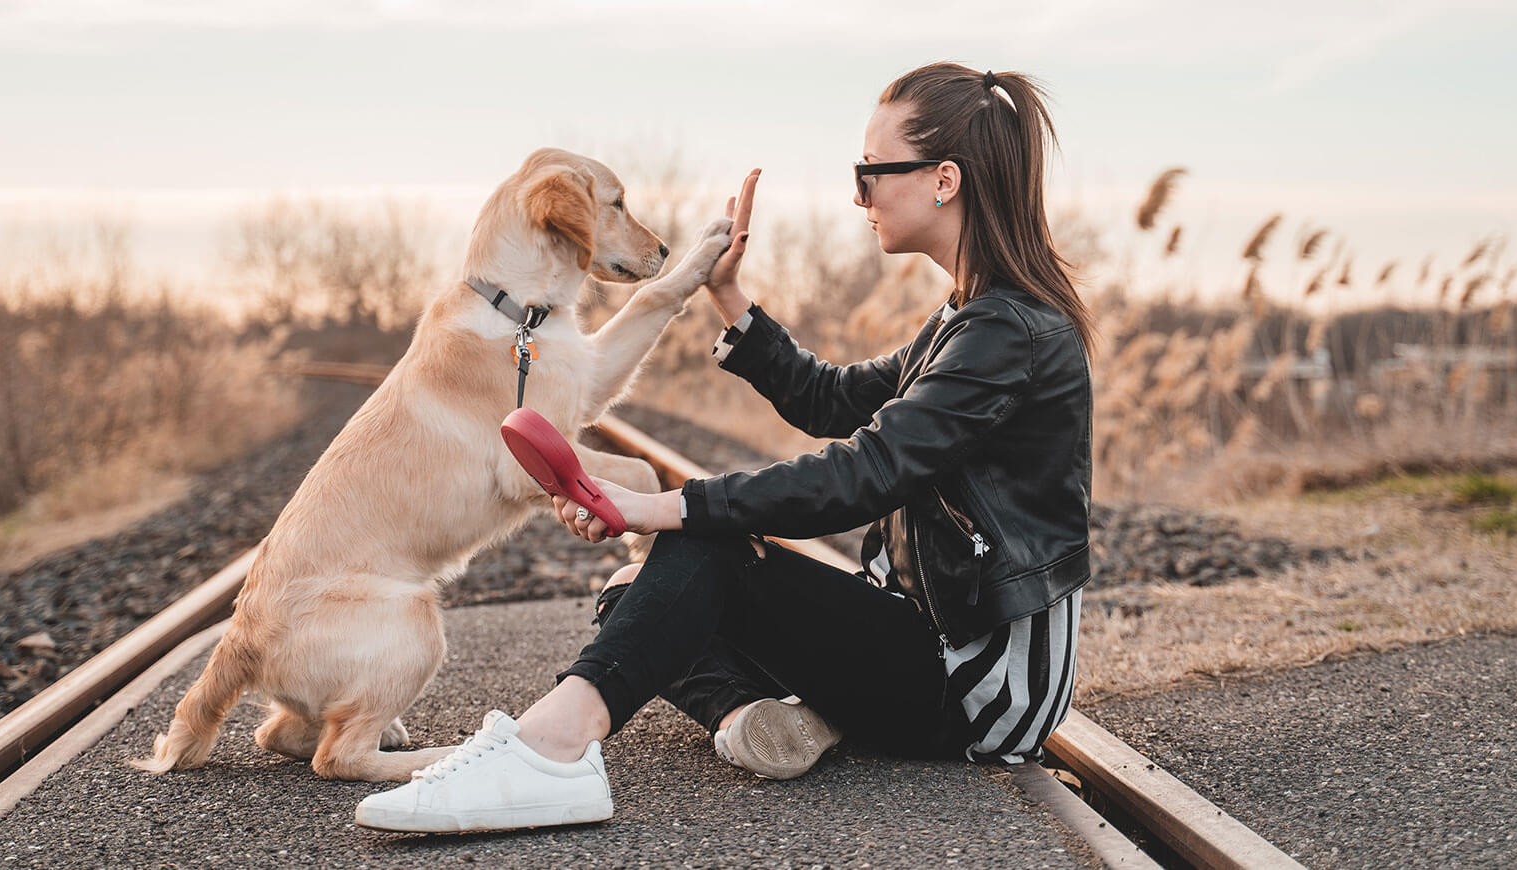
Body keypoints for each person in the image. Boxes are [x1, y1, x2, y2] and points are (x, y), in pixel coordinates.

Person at [355, 61, 1099, 834]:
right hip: (923, 638)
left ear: (943, 180)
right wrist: (727, 294)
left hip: (978, 684)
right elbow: (832, 400)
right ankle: (761, 719)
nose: (858, 195)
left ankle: (551, 750)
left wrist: (663, 505)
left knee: (698, 554)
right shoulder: (968, 318)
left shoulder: (1005, 333)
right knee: (634, 593)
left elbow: (865, 473)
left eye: (870, 173)